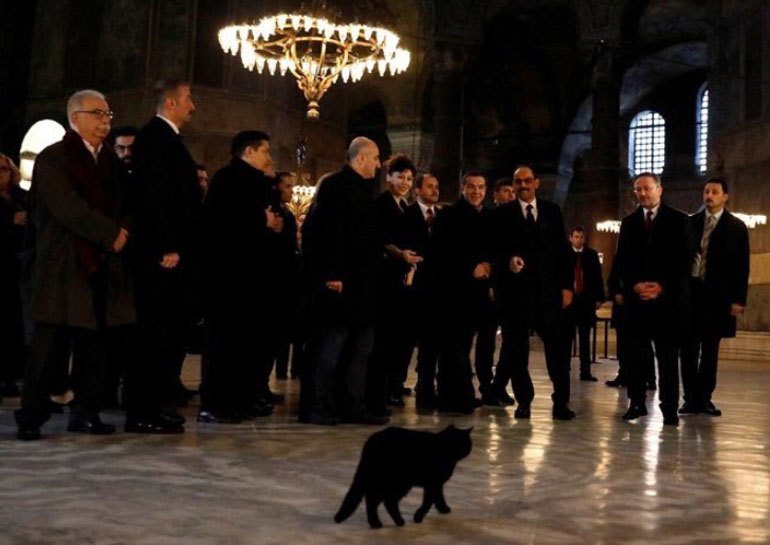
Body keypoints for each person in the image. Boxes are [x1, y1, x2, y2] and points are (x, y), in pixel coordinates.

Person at [15, 89, 134, 440]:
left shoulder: (109, 159)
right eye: (98, 113)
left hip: (100, 265)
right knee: (48, 344)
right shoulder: (55, 157)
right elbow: (67, 207)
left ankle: (86, 411)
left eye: (108, 114)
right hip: (63, 264)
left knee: (93, 345)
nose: (105, 121)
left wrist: (124, 230)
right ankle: (31, 415)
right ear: (75, 118)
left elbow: (126, 201)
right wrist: (110, 233)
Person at [127, 79, 202, 433]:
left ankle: (154, 405)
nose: (193, 105)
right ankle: (142, 411)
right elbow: (155, 197)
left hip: (171, 253)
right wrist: (167, 245)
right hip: (160, 256)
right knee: (152, 335)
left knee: (165, 334)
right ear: (171, 102)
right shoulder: (155, 138)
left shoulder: (167, 139)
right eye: (188, 99)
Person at [300, 136, 388, 425]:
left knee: (357, 350)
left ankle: (350, 404)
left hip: (362, 288)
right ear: (361, 158)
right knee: (329, 349)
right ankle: (316, 405)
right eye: (375, 158)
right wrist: (331, 274)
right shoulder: (335, 187)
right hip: (339, 286)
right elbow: (324, 234)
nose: (379, 164)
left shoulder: (363, 189)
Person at [199, 130, 282, 423]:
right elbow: (221, 221)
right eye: (265, 151)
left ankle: (242, 399)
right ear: (248, 151)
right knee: (224, 344)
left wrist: (273, 223)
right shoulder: (227, 178)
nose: (269, 157)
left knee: (246, 344)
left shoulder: (257, 181)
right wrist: (262, 220)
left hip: (252, 278)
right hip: (228, 279)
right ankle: (215, 404)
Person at [491, 165, 576, 420]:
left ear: (536, 183)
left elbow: (563, 252)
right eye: (518, 182)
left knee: (557, 351)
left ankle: (561, 402)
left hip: (549, 294)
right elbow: (495, 251)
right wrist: (508, 261)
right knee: (517, 351)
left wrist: (566, 286)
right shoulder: (502, 214)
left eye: (528, 180)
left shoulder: (552, 211)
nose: (523, 185)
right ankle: (524, 401)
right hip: (516, 295)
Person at [613, 172, 692, 426]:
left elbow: (684, 261)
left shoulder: (679, 220)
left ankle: (669, 408)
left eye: (647, 188)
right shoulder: (629, 222)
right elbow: (622, 260)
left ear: (659, 190)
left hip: (667, 303)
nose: (642, 193)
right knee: (635, 356)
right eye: (638, 189)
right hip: (637, 302)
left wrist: (661, 286)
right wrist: (634, 285)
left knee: (668, 358)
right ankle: (636, 403)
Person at [680, 177, 749, 417]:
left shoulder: (736, 227)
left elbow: (742, 266)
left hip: (718, 298)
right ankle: (690, 398)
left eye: (715, 192)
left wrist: (739, 299)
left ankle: (705, 397)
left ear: (725, 196)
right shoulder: (690, 223)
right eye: (706, 191)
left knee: (710, 350)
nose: (709, 196)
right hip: (691, 294)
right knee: (688, 349)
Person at [432, 171, 492, 414]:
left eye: (481, 187)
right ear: (463, 188)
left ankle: (456, 395)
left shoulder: (487, 217)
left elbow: (494, 248)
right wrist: (471, 266)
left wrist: (488, 265)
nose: (476, 191)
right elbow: (443, 252)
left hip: (478, 293)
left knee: (463, 345)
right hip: (454, 292)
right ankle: (456, 397)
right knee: (453, 345)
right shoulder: (448, 215)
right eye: (472, 186)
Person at [368, 153, 422, 412]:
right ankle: (377, 394)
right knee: (383, 340)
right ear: (389, 177)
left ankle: (392, 386)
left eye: (409, 179)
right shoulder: (381, 204)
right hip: (383, 280)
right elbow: (379, 240)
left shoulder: (406, 207)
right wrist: (401, 255)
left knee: (399, 339)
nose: (405, 183)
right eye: (401, 177)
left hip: (402, 280)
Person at [405, 173, 441, 410]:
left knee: (431, 343)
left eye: (436, 186)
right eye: (429, 186)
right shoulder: (408, 214)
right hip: (413, 286)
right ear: (417, 190)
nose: (435, 190)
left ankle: (426, 387)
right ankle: (395, 384)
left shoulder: (443, 216)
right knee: (406, 340)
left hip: (436, 289)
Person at [0, 153, 27, 398]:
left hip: (19, 267)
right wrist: (10, 221)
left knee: (14, 322)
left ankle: (11, 376)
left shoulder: (20, 197)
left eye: (3, 169)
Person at [271, 171, 301, 381]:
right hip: (276, 278)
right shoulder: (273, 213)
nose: (292, 191)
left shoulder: (288, 215)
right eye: (288, 186)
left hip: (289, 279)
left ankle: (283, 370)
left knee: (284, 331)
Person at [566, 226, 605, 381]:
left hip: (585, 301)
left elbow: (597, 277)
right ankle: (564, 369)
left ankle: (585, 371)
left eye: (581, 237)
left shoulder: (591, 255)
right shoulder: (564, 254)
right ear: (570, 238)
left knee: (585, 338)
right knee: (566, 338)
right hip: (569, 301)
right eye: (576, 237)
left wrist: (599, 298)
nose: (579, 240)